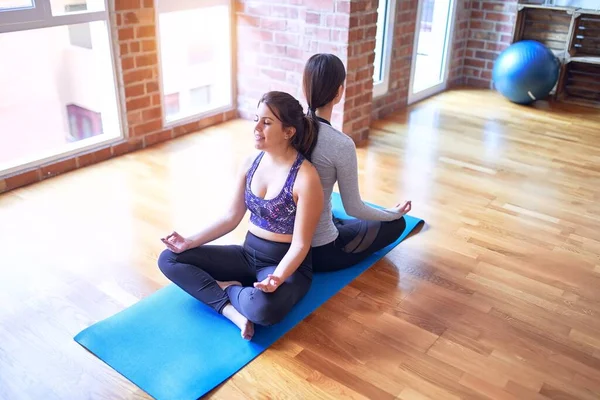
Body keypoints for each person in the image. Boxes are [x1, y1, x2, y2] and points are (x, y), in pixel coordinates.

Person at [157, 91, 324, 340]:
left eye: (266, 122)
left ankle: (228, 286)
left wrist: (277, 278)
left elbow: (301, 244)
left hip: (283, 264)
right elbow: (230, 217)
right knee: (170, 258)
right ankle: (229, 309)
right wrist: (189, 242)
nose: (256, 127)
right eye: (256, 119)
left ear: (289, 131)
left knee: (264, 310)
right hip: (247, 254)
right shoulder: (250, 163)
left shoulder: (306, 177)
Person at [302, 53, 412, 273]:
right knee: (397, 224)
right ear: (339, 92)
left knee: (332, 215)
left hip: (286, 245)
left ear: (306, 88)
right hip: (322, 252)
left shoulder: (290, 130)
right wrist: (392, 214)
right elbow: (353, 208)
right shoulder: (341, 144)